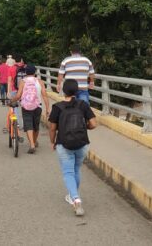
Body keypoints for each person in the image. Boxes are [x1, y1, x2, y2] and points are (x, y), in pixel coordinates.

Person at [48, 79, 98, 217]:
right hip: (82, 143)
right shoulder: (83, 105)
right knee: (76, 169)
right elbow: (93, 124)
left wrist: (52, 142)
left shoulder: (57, 107)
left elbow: (52, 128)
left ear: (63, 91)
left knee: (68, 172)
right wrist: (84, 127)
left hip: (64, 144)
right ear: (77, 91)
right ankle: (73, 195)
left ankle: (75, 199)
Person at [11, 65, 50, 154]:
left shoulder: (22, 81)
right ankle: (34, 142)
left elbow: (18, 95)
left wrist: (11, 100)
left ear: (25, 72)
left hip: (26, 106)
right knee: (36, 126)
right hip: (37, 106)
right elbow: (44, 95)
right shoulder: (40, 81)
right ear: (35, 72)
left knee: (28, 125)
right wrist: (47, 108)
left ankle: (32, 144)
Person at [7, 56, 27, 129]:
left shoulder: (11, 68)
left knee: (15, 107)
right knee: (24, 106)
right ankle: (26, 123)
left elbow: (9, 80)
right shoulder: (25, 68)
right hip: (24, 90)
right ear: (21, 60)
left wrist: (8, 92)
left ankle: (17, 123)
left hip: (14, 89)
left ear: (15, 61)